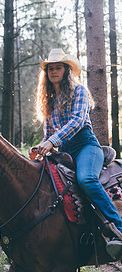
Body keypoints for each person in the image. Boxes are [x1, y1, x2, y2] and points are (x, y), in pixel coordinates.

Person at [29, 48, 122, 259]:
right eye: (50, 68)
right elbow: (49, 133)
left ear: (66, 70)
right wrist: (40, 147)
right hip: (64, 152)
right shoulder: (49, 101)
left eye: (58, 67)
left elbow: (77, 121)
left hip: (86, 146)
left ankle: (118, 227)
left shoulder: (78, 91)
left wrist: (51, 142)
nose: (53, 71)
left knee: (86, 179)